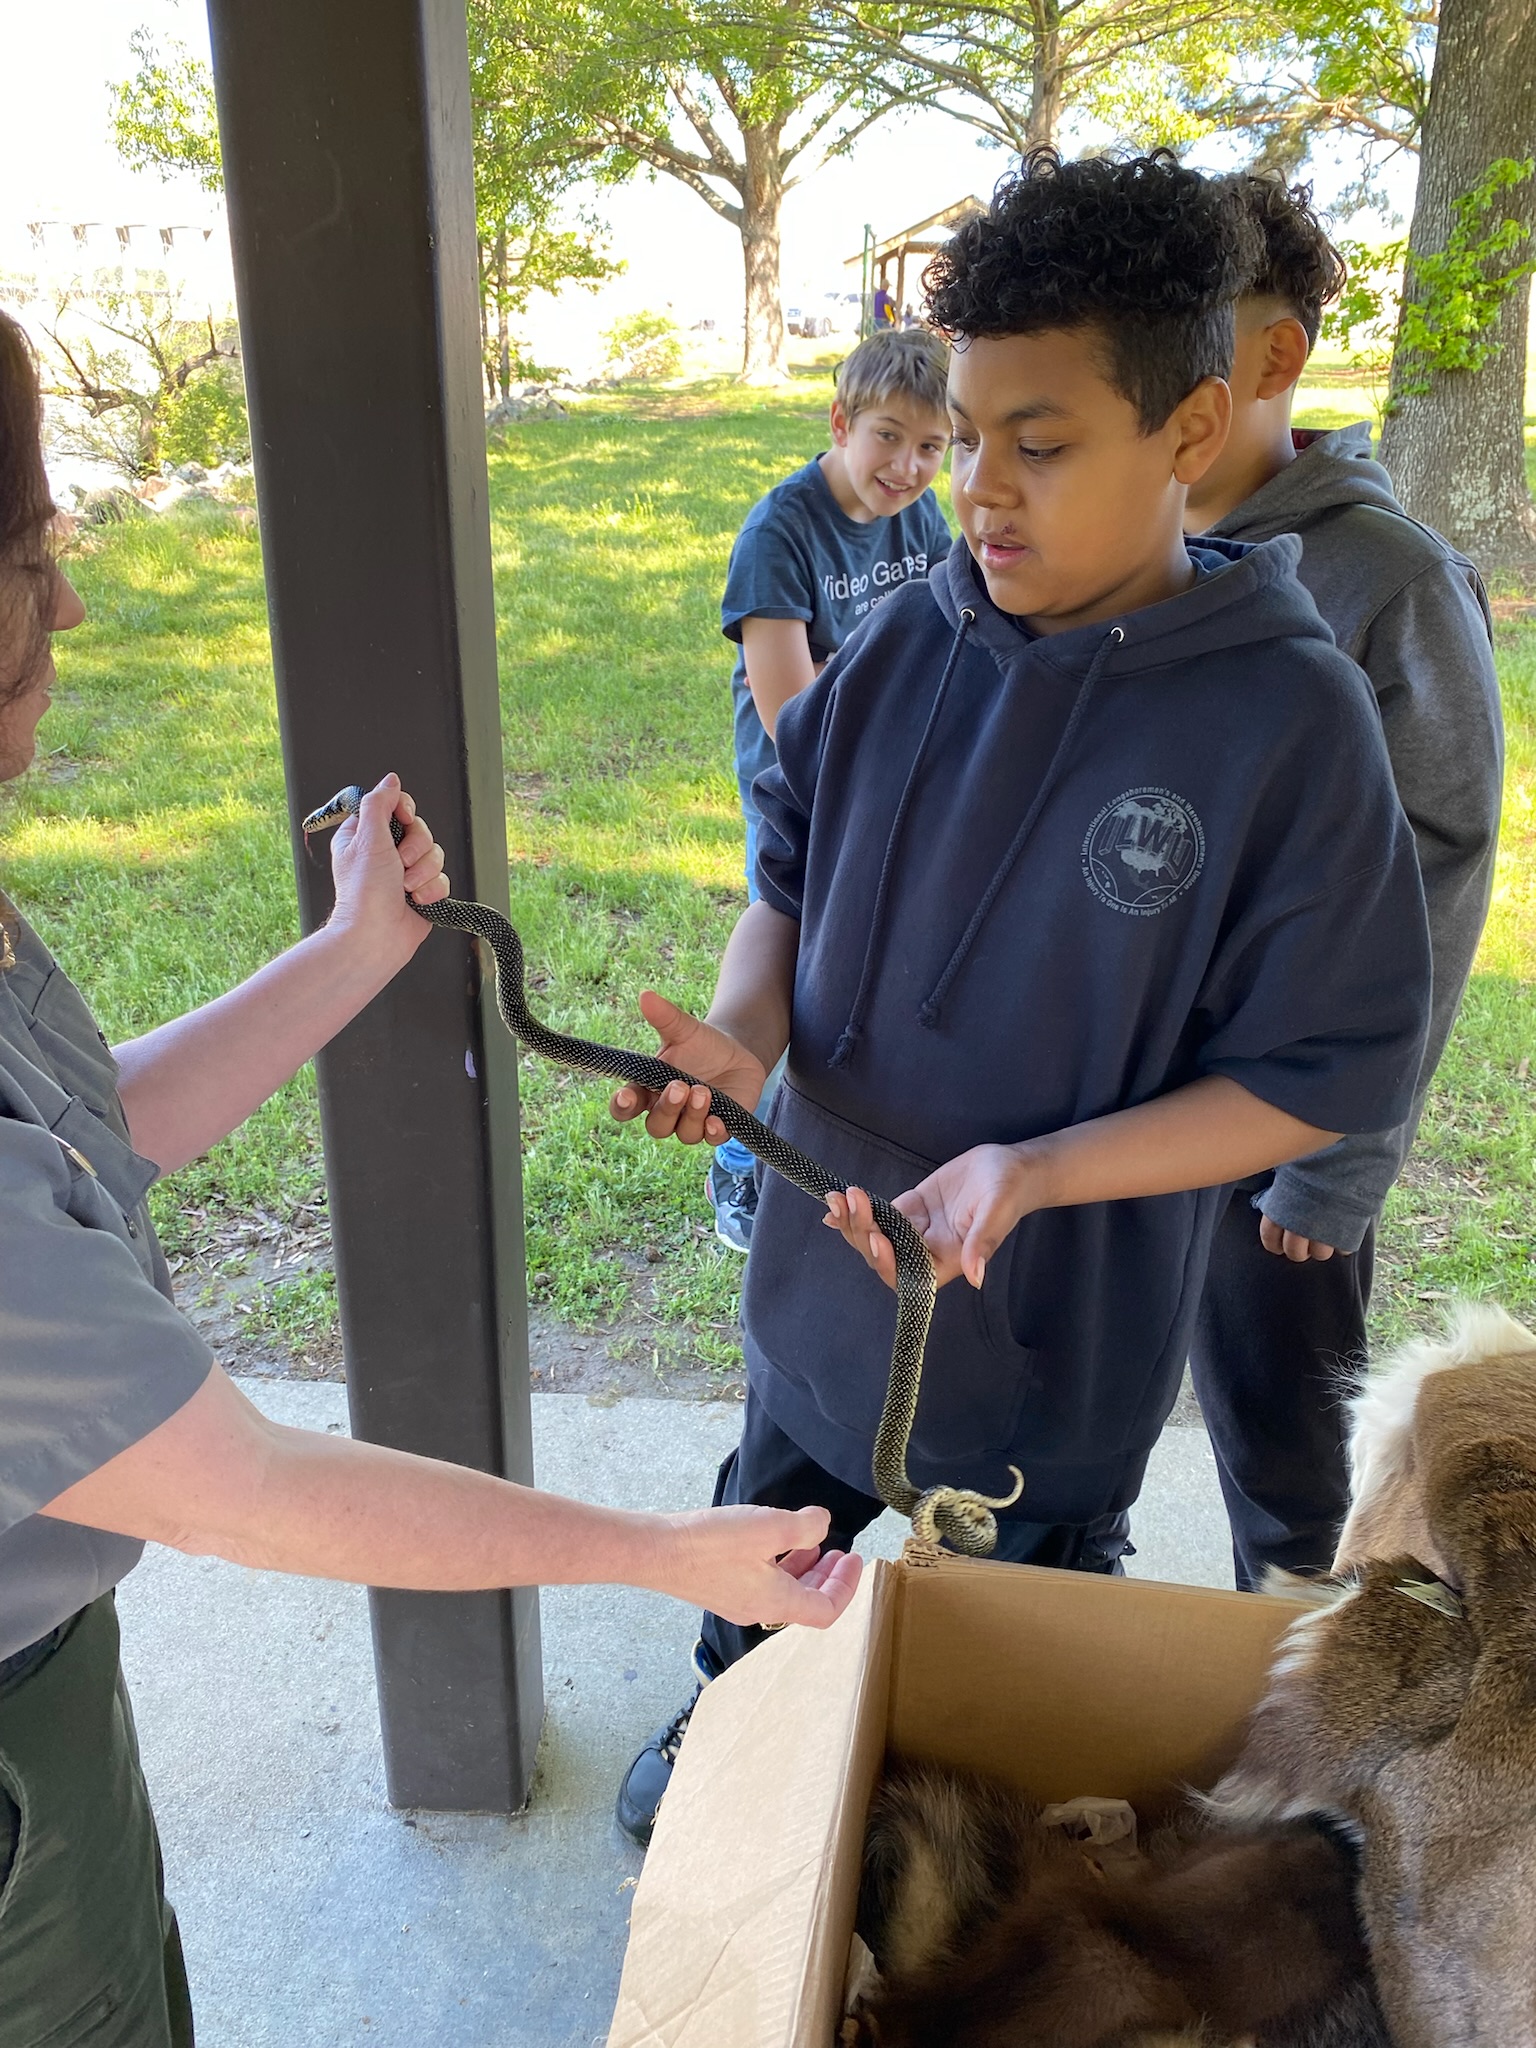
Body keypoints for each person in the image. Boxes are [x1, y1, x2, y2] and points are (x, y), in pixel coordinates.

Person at [0, 307, 861, 2048]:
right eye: (33, 552)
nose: (74, 605)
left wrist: (349, 953)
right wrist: (662, 1552)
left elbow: (86, 1149)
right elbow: (249, 1484)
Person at [609, 150, 1434, 1848]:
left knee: (1026, 1651)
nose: (979, 489)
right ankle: (732, 1728)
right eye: (969, 434)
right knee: (773, 1519)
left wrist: (1037, 1170)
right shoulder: (918, 629)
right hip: (830, 1245)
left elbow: (1318, 1070)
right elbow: (791, 873)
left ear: (1190, 430)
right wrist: (740, 1034)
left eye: (1038, 443)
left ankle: (982, 1827)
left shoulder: (1285, 718)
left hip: (1054, 1303)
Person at [1180, 175, 1504, 1589]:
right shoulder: (1122, 557)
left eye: (1176, 335)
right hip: (1111, 1107)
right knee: (1083, 1408)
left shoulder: (1392, 580)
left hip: (1280, 1132)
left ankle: (1320, 1731)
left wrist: (1340, 1157)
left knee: (1288, 1474)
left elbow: (1438, 877)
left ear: (1273, 357)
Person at [708, 327, 951, 1249]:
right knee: (796, 969)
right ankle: (737, 1161)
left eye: (933, 446)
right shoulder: (781, 534)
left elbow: (944, 646)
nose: (910, 466)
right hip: (803, 795)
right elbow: (790, 717)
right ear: (842, 420)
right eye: (889, 436)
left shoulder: (922, 520)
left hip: (893, 784)